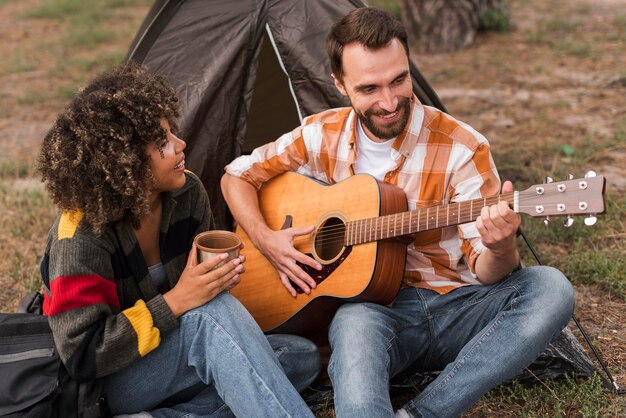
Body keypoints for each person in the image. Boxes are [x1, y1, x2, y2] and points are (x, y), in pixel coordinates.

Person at [221, 7, 574, 418]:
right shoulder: (321, 134)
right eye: (369, 88)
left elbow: (486, 270)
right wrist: (267, 239)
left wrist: (501, 248)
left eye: (399, 80)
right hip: (373, 314)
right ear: (340, 85)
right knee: (352, 327)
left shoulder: (463, 147)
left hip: (460, 306)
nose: (389, 102)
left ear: (410, 68)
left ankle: (424, 412)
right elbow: (236, 177)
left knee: (551, 288)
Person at [37, 63, 320, 418]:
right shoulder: (79, 235)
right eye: (162, 144)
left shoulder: (187, 192)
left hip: (176, 353)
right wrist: (176, 301)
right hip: (107, 384)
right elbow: (83, 355)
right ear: (124, 165)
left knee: (298, 358)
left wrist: (219, 280)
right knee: (212, 324)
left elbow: (208, 307)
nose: (180, 145)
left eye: (171, 134)